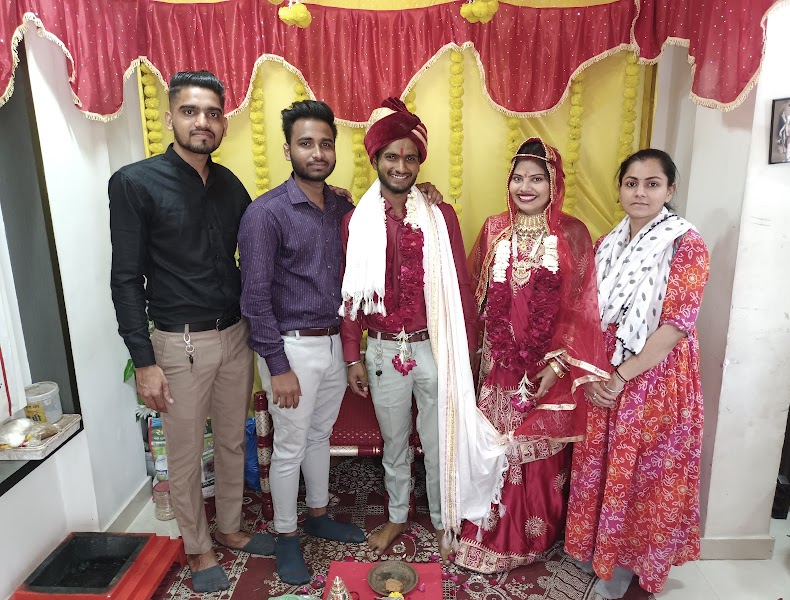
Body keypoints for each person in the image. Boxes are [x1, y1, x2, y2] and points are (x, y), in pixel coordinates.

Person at [109, 70, 273, 593]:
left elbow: (261, 241)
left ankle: (228, 528)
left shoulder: (229, 185)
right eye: (190, 111)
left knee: (231, 441)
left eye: (212, 113)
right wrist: (145, 361)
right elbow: (125, 279)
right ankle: (198, 548)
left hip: (235, 335)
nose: (202, 122)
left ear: (223, 123)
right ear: (170, 118)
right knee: (182, 456)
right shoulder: (135, 183)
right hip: (179, 344)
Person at [453, 137, 609, 574]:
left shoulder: (572, 233)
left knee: (536, 451)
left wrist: (558, 365)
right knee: (494, 444)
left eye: (537, 178)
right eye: (518, 178)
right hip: (498, 364)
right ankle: (484, 530)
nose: (526, 187)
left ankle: (531, 537)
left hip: (549, 364)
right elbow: (475, 296)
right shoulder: (493, 229)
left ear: (553, 184)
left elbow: (583, 306)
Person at [565, 149, 710, 598]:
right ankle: (603, 554)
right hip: (605, 372)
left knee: (647, 477)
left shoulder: (686, 244)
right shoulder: (608, 242)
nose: (640, 192)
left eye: (652, 184)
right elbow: (588, 312)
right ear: (620, 189)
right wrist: (594, 373)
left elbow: (676, 325)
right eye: (632, 183)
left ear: (670, 190)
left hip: (655, 377)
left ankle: (638, 572)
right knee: (604, 466)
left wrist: (620, 376)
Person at [341, 98, 481, 561]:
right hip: (383, 351)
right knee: (395, 443)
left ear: (419, 162)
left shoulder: (441, 215)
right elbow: (350, 292)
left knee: (440, 441)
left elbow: (460, 285)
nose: (401, 166)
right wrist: (352, 355)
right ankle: (398, 515)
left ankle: (443, 518)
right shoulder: (356, 221)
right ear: (375, 160)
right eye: (391, 156)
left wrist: (468, 351)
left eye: (410, 157)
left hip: (434, 347)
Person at [238, 100, 366, 586]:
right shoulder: (265, 213)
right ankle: (287, 535)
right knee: (289, 446)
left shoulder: (342, 209)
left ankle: (317, 514)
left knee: (319, 436)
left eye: (325, 144)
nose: (317, 153)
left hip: (334, 343)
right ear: (288, 149)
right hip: (290, 348)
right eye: (306, 143)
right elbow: (254, 299)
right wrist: (277, 365)